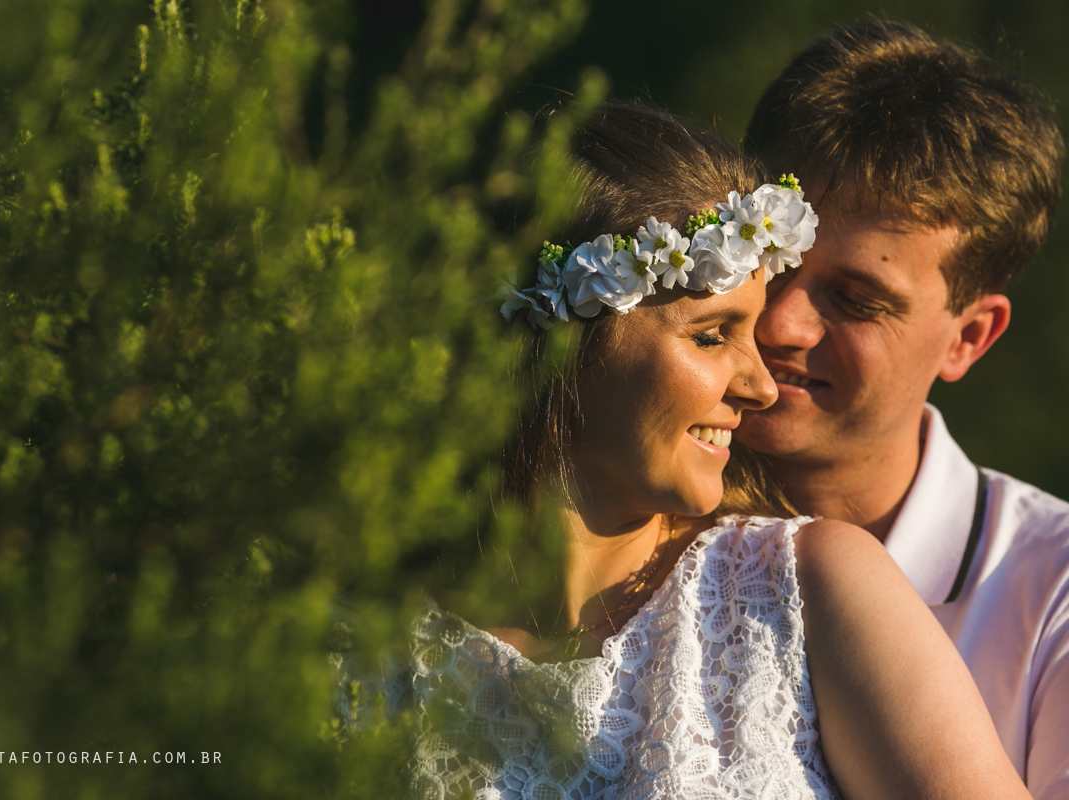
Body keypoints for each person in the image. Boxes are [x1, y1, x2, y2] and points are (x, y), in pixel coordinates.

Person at [341, 103, 1030, 799]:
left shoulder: (806, 589)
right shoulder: (352, 650)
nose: (761, 385)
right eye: (711, 335)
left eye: (751, 333)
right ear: (558, 342)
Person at [738, 20, 1069, 799]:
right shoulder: (610, 526)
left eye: (856, 300)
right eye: (766, 260)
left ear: (970, 338)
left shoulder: (1051, 591)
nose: (780, 324)